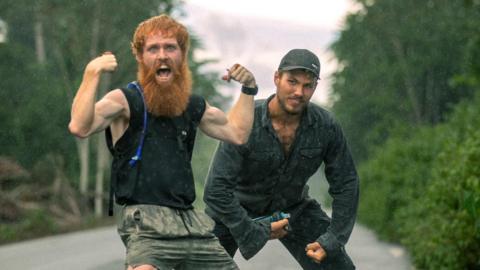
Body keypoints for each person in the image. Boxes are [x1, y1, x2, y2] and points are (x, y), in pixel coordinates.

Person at [68, 14, 258, 270]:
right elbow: (80, 125)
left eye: (170, 47)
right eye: (153, 49)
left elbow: (237, 132)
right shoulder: (125, 100)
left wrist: (248, 89)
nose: (162, 55)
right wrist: (92, 73)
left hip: (190, 224)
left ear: (182, 54)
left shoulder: (192, 105)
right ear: (140, 56)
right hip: (145, 225)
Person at [203, 49, 359, 269]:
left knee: (338, 267)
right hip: (235, 210)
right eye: (292, 82)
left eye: (307, 86)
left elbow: (346, 184)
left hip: (292, 208)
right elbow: (216, 190)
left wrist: (333, 239)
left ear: (314, 88)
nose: (298, 92)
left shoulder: (326, 126)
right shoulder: (247, 119)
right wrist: (253, 232)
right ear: (277, 78)